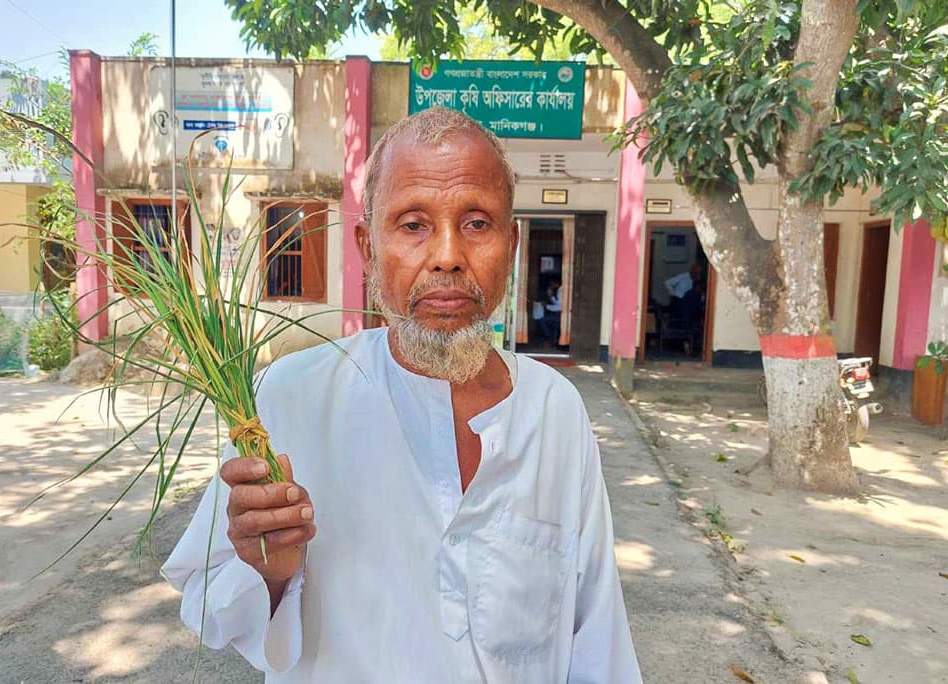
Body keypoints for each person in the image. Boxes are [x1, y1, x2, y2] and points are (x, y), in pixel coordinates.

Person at [162, 107, 642, 683]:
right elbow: (209, 603)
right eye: (413, 224)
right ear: (368, 248)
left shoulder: (555, 411)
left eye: (477, 223)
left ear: (511, 245)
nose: (446, 255)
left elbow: (597, 642)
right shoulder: (291, 396)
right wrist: (272, 573)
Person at [539, 278, 562, 345]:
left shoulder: (561, 290)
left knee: (542, 320)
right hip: (558, 314)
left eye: (552, 284)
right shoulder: (559, 290)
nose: (551, 286)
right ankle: (552, 339)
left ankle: (548, 337)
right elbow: (558, 303)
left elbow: (559, 307)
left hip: (560, 314)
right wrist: (551, 296)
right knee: (554, 325)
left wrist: (547, 306)